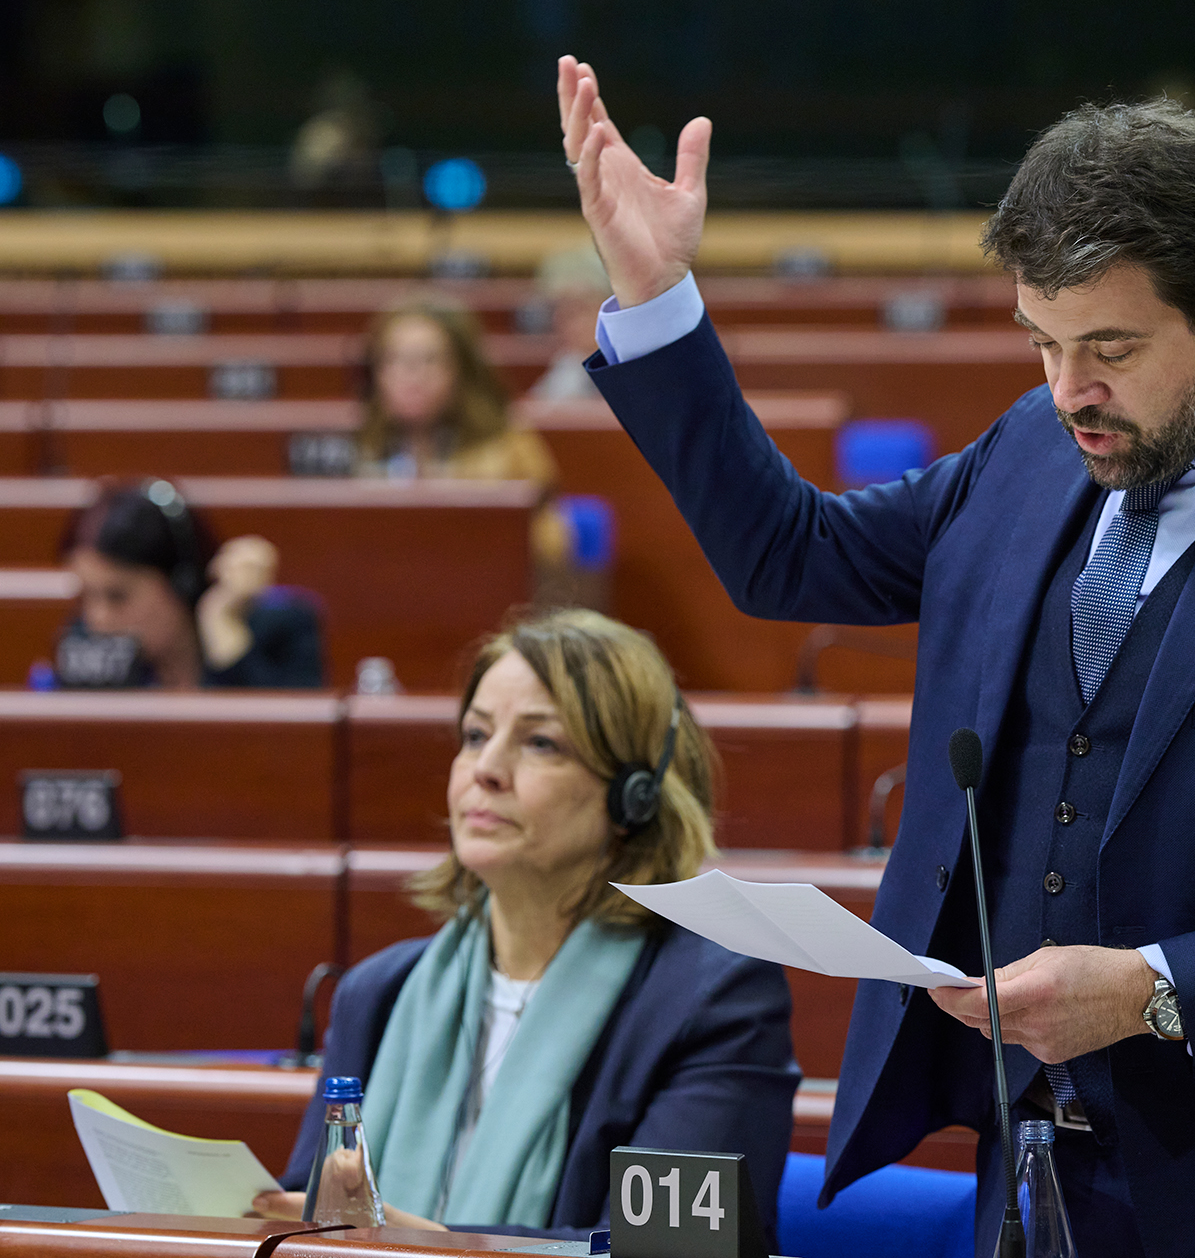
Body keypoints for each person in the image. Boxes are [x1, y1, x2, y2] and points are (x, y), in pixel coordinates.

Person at [558, 56, 1195, 1257]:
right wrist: (657, 296)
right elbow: (789, 556)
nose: (1070, 391)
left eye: (1110, 348)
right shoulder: (1032, 445)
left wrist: (1153, 986)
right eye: (1041, 342)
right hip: (1023, 1172)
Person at [256, 608, 797, 1241]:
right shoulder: (378, 994)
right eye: (475, 735)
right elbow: (308, 1220)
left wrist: (434, 1248)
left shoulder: (715, 1004)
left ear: (634, 797)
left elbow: (679, 1253)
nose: (485, 769)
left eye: (540, 743)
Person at [356, 296, 569, 569]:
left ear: (461, 369)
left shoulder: (510, 446)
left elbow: (552, 549)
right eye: (394, 360)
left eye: (429, 360)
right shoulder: (358, 447)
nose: (410, 376)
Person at [55, 479, 324, 689]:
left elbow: (287, 748)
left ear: (181, 582)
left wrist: (223, 628)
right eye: (86, 597)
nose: (96, 618)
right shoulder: (82, 646)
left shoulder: (284, 628)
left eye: (117, 596)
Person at [527, 245, 613, 401]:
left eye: (579, 308)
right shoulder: (566, 366)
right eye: (556, 308)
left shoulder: (631, 369)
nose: (561, 319)